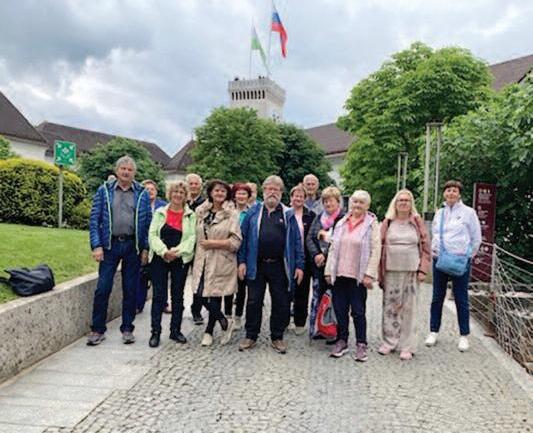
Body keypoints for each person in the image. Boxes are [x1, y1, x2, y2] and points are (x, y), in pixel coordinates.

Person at [87, 155, 151, 346]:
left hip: (132, 246)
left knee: (130, 289)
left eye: (129, 170)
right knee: (103, 288)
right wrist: (96, 245)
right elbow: (94, 220)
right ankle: (97, 329)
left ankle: (127, 328)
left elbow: (147, 222)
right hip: (110, 245)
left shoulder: (142, 193)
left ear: (134, 173)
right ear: (116, 171)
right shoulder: (104, 190)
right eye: (123, 169)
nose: (126, 172)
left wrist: (145, 248)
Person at [238, 175, 305, 354]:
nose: (272, 192)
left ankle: (277, 336)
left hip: (280, 266)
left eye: (276, 189)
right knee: (253, 301)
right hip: (256, 264)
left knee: (281, 302)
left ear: (281, 193)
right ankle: (251, 335)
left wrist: (300, 265)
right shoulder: (253, 212)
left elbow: (297, 241)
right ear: (264, 191)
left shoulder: (288, 214)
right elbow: (243, 239)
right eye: (269, 188)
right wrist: (242, 262)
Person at [425, 180, 481, 352]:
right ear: (444, 193)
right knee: (437, 296)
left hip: (460, 259)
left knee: (461, 297)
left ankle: (464, 335)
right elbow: (434, 234)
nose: (451, 193)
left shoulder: (468, 213)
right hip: (440, 259)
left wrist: (468, 255)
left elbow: (476, 237)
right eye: (448, 190)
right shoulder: (440, 213)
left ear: (459, 194)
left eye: (454, 191)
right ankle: (433, 331)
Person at [325, 190, 380, 361]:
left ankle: (361, 343)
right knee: (340, 310)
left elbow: (376, 250)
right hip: (340, 273)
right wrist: (328, 270)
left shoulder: (371, 224)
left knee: (358, 311)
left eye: (361, 202)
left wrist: (369, 274)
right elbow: (333, 247)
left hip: (358, 276)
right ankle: (342, 340)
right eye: (355, 201)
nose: (357, 205)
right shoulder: (341, 222)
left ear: (367, 206)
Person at [377, 189, 431, 360]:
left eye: (407, 200)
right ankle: (389, 342)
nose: (403, 203)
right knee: (390, 307)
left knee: (409, 309)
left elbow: (426, 247)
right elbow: (379, 245)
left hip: (411, 270)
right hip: (391, 270)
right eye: (400, 200)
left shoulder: (416, 222)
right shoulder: (388, 222)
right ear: (395, 203)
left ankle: (407, 345)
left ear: (411, 203)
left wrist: (423, 269)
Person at [191, 179, 242, 347]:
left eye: (223, 191)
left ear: (227, 194)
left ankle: (208, 332)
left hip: (221, 260)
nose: (219, 193)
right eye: (216, 190)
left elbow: (236, 241)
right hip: (202, 260)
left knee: (214, 296)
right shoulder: (201, 211)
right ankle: (222, 319)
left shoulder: (232, 214)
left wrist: (214, 243)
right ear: (210, 193)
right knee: (199, 294)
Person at [148, 181, 196, 347]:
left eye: (181, 192)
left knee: (177, 295)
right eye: (175, 192)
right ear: (170, 194)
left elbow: (192, 238)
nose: (178, 195)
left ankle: (175, 330)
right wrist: (163, 251)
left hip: (179, 258)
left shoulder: (190, 215)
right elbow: (152, 235)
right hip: (159, 258)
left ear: (185, 196)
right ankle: (155, 332)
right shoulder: (160, 212)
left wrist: (176, 252)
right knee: (159, 295)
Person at [306, 186, 345, 339]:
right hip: (319, 266)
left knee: (337, 298)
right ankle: (318, 328)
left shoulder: (343, 219)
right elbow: (310, 237)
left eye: (331, 201)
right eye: (325, 201)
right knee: (318, 297)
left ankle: (336, 331)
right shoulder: (319, 218)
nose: (328, 204)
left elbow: (341, 241)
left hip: (336, 266)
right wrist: (316, 254)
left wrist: (325, 254)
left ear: (338, 202)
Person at [221, 182, 251, 344]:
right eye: (238, 193)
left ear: (248, 196)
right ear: (234, 195)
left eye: (244, 193)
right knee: (228, 286)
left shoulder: (252, 212)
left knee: (241, 286)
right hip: (228, 252)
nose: (241, 196)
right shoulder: (227, 211)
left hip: (244, 252)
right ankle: (227, 315)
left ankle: (238, 315)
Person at [136, 179, 167, 314]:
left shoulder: (164, 206)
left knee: (160, 277)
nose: (149, 192)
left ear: (156, 191)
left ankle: (163, 303)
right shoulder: (139, 205)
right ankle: (138, 304)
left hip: (159, 245)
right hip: (142, 244)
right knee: (141, 275)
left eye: (152, 189)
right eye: (146, 189)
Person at [289, 183, 316, 335]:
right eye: (296, 196)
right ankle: (284, 320)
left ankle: (300, 322)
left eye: (301, 196)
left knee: (302, 290)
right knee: (285, 290)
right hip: (288, 256)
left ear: (305, 199)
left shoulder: (311, 215)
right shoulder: (286, 214)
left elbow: (313, 236)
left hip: (305, 257)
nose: (298, 199)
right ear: (291, 197)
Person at [186, 173, 207, 325]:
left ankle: (196, 310)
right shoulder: (182, 201)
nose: (193, 186)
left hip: (199, 247)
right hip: (184, 246)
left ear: (200, 186)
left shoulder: (205, 203)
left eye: (196, 184)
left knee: (199, 280)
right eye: (191, 184)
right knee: (178, 281)